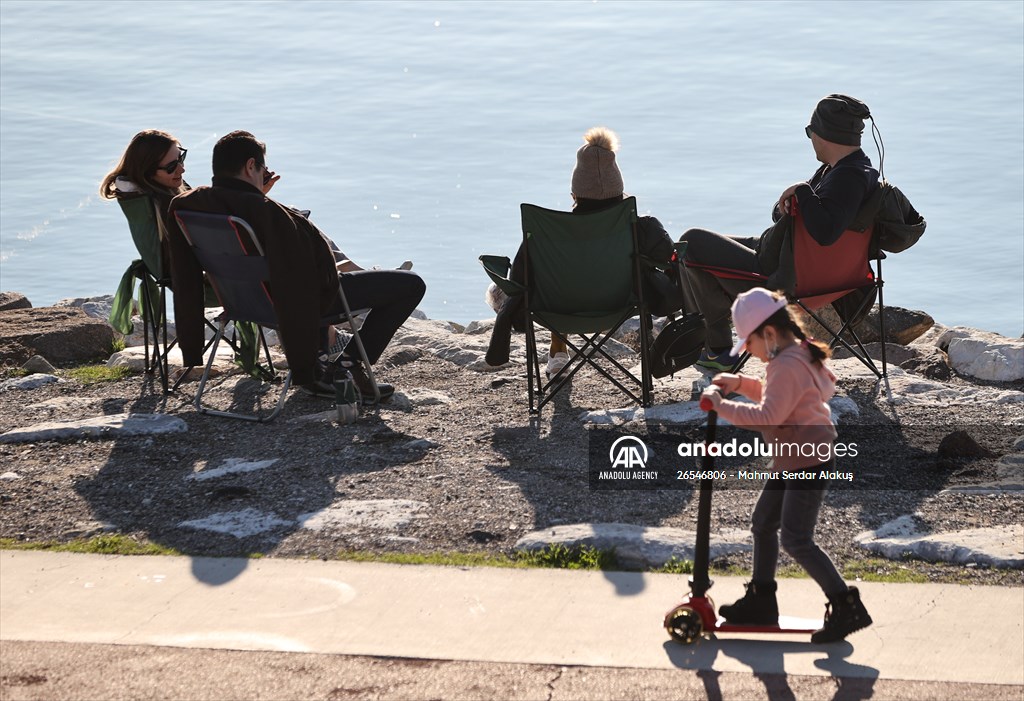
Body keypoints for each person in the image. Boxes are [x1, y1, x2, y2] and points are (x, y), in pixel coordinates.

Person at [165, 130, 425, 401]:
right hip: (299, 304)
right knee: (411, 284)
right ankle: (346, 366)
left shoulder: (186, 205)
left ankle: (337, 367)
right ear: (251, 166)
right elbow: (315, 279)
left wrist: (191, 345)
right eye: (261, 167)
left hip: (242, 303)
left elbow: (185, 275)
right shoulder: (272, 214)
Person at [700, 287, 872, 644]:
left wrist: (720, 405)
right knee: (763, 523)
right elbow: (776, 396)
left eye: (748, 342)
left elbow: (770, 415)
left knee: (796, 538)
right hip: (794, 457)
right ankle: (763, 600)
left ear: (769, 334)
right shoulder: (793, 355)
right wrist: (738, 383)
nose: (747, 350)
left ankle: (846, 605)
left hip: (808, 460)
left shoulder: (787, 364)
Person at [680, 94, 880, 372]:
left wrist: (801, 191)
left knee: (690, 243)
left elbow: (825, 231)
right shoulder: (853, 169)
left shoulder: (847, 179)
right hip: (797, 258)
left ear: (825, 135)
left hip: (787, 277)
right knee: (703, 250)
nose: (810, 139)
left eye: (810, 132)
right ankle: (715, 342)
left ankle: (717, 349)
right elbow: (781, 214)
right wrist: (796, 199)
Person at [486, 126, 676, 372]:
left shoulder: (545, 234)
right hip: (619, 306)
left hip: (558, 310)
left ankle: (558, 349)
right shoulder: (642, 228)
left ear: (574, 194)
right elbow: (669, 258)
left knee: (508, 288)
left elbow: (519, 280)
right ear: (620, 190)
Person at [101, 130, 190, 276]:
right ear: (147, 172)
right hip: (207, 284)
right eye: (171, 167)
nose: (182, 169)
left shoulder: (163, 190)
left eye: (181, 158)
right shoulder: (167, 206)